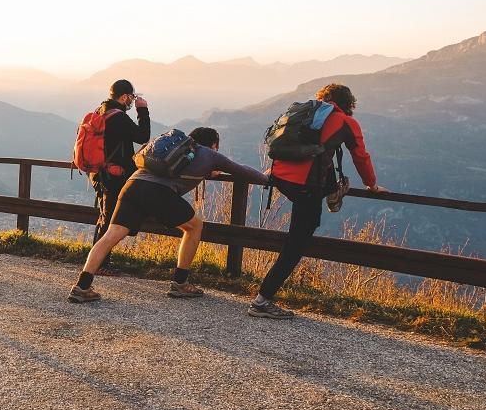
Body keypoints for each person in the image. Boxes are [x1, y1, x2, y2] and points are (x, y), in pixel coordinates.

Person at [69, 127, 269, 302]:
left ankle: (82, 286)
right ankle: (180, 283)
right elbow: (240, 170)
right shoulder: (210, 154)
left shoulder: (177, 150)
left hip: (132, 186)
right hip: (158, 193)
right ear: (213, 144)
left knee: (111, 235)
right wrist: (265, 178)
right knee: (194, 226)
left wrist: (208, 172)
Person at [250, 84, 385, 320]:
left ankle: (332, 191)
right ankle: (262, 301)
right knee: (297, 243)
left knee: (323, 156)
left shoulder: (307, 113)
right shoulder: (345, 122)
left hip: (280, 178)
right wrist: (372, 184)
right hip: (305, 187)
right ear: (349, 103)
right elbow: (361, 156)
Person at [89, 79, 151, 274]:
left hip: (99, 173)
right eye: (132, 97)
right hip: (113, 176)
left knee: (105, 218)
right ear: (124, 97)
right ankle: (99, 265)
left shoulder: (101, 110)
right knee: (108, 221)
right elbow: (142, 136)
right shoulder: (119, 117)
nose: (132, 101)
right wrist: (143, 111)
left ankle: (100, 262)